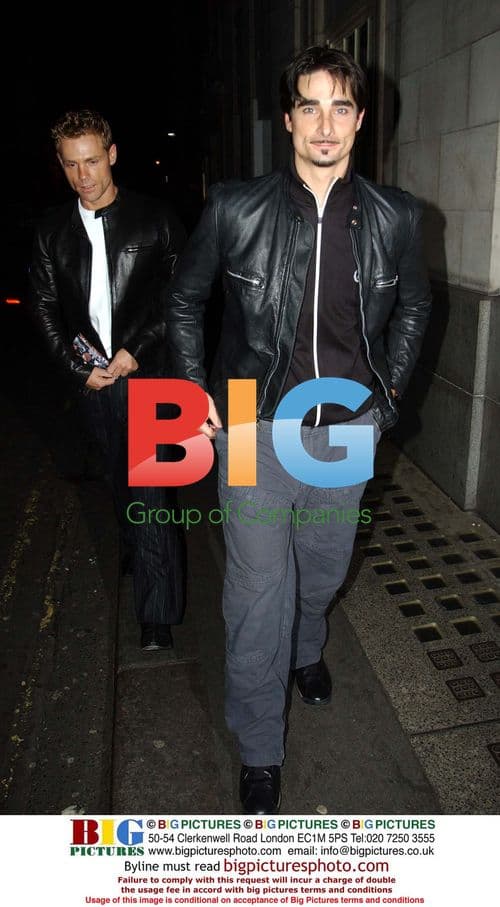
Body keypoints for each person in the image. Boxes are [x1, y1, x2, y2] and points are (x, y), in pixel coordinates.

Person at [165, 46, 432, 812]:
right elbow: (184, 301)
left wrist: (386, 401)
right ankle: (259, 745)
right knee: (257, 592)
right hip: (251, 423)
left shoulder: (397, 217)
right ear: (286, 120)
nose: (325, 124)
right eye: (309, 106)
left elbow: (415, 306)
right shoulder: (235, 207)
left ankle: (307, 645)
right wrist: (191, 389)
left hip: (345, 428)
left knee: (319, 571)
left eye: (340, 106)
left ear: (360, 119)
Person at [30, 109, 186, 651]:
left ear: (112, 154)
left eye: (92, 161)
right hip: (94, 382)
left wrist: (136, 351)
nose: (84, 176)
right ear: (61, 165)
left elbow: (179, 299)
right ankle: (132, 540)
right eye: (71, 165)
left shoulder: (155, 218)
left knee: (150, 490)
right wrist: (80, 369)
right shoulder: (51, 230)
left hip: (145, 377)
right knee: (118, 481)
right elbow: (46, 309)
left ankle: (157, 613)